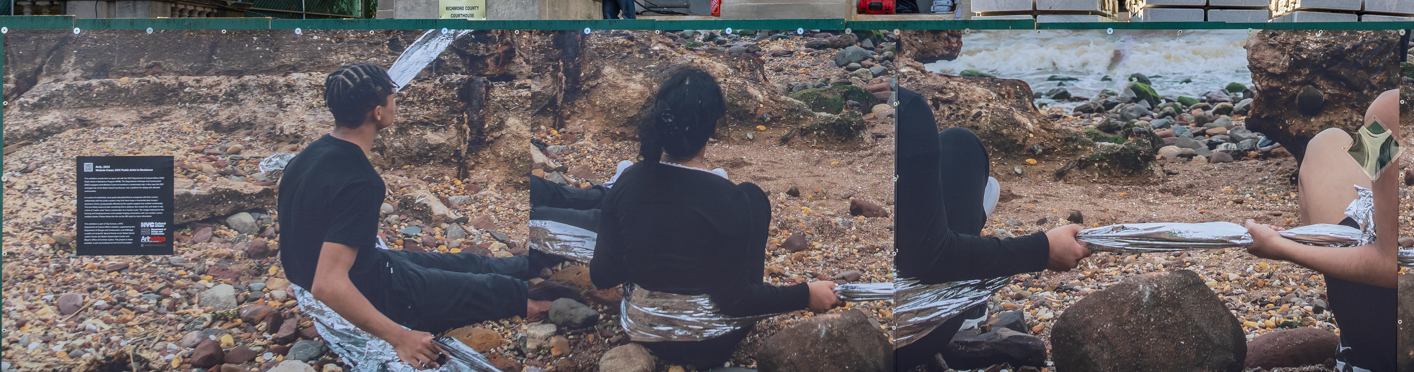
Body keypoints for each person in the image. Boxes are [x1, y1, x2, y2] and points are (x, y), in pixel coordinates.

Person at [280, 63, 558, 369]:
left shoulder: (308, 155)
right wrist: (401, 337)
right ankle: (566, 302)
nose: (394, 103)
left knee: (472, 263)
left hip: (371, 268)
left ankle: (548, 257)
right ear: (377, 112)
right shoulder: (361, 181)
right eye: (392, 97)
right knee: (498, 289)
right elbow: (327, 284)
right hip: (381, 295)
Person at [589, 67, 840, 367]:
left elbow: (602, 274)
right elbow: (736, 301)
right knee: (753, 196)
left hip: (641, 332)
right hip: (711, 343)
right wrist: (805, 294)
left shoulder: (627, 182)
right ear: (715, 126)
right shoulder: (728, 198)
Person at [891, 87, 1093, 371]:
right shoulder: (907, 107)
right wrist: (1043, 249)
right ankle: (969, 299)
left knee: (956, 143)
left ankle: (960, 221)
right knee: (962, 146)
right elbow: (932, 260)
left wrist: (805, 296)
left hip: (850, 308)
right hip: (909, 335)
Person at [1241, 89, 1405, 372]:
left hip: (1387, 347)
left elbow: (1387, 266)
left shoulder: (1385, 109)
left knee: (1323, 143)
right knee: (1331, 140)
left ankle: (1357, 344)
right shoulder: (1389, 107)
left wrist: (1281, 247)